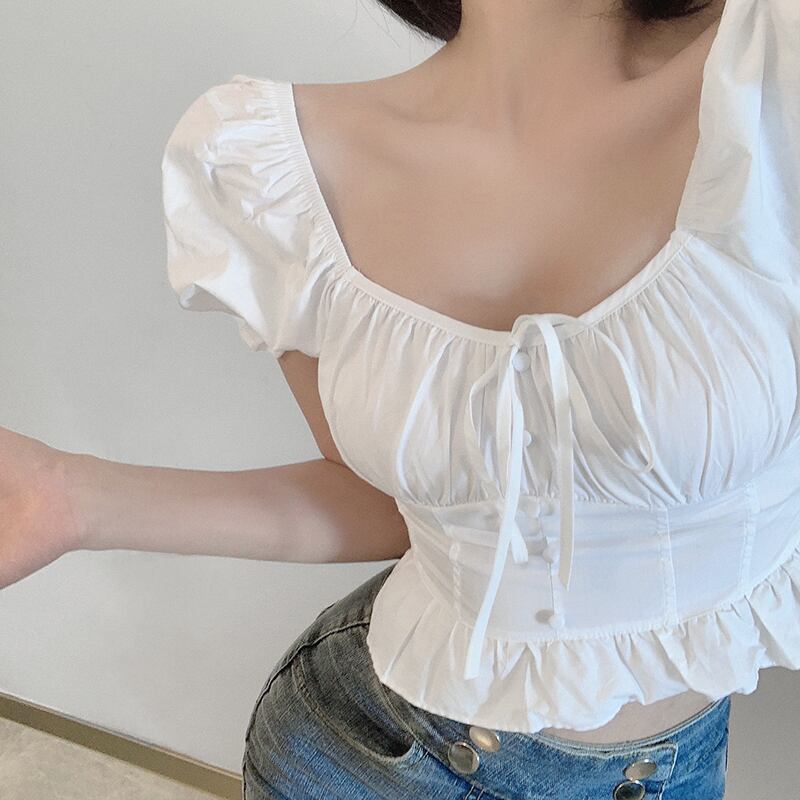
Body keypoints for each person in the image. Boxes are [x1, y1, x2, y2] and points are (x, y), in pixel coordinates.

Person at [4, 0, 798, 797]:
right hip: (356, 754)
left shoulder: (772, 69)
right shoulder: (279, 168)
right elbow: (388, 503)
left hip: (658, 773)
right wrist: (72, 499)